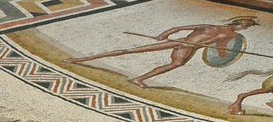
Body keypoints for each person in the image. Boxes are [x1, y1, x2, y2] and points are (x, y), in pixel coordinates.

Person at [70, 16, 258, 88]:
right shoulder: (228, 34)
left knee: (131, 51)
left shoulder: (214, 27)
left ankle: (83, 59)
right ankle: (138, 79)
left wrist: (166, 33)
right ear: (239, 24)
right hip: (185, 46)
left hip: (181, 43)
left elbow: (181, 25)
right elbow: (222, 51)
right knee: (172, 63)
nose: (246, 28)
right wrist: (228, 58)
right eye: (246, 26)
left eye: (247, 27)